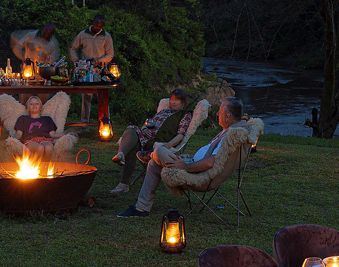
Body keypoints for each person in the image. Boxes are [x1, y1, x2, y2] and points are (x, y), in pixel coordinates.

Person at [117, 97, 245, 217]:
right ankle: (141, 208)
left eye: (220, 111)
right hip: (192, 163)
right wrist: (189, 157)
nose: (217, 114)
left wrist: (185, 166)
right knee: (153, 164)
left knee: (159, 151)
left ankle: (150, 154)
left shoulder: (231, 136)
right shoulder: (228, 131)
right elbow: (210, 154)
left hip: (198, 173)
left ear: (228, 116)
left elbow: (211, 162)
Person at [109, 89, 193, 195]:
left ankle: (123, 184)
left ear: (183, 102)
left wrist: (170, 144)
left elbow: (181, 134)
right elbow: (149, 123)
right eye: (172, 99)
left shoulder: (184, 115)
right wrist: (144, 129)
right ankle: (120, 154)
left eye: (177, 100)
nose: (173, 102)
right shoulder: (164, 111)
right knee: (131, 129)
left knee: (133, 147)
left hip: (159, 142)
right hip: (146, 138)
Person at [69, 13, 114, 121]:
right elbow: (73, 48)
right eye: (96, 25)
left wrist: (100, 61)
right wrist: (75, 60)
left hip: (101, 70)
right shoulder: (83, 34)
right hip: (86, 70)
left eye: (100, 26)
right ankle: (84, 124)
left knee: (103, 97)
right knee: (86, 98)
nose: (98, 27)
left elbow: (110, 54)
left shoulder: (106, 36)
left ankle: (105, 123)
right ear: (92, 22)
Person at [12, 95, 65, 161]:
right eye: (31, 104)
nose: (34, 105)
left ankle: (45, 166)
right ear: (28, 108)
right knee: (40, 148)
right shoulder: (23, 118)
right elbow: (19, 133)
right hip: (30, 140)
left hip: (45, 139)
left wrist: (62, 135)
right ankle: (34, 166)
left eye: (37, 103)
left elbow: (52, 134)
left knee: (49, 147)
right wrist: (12, 139)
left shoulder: (47, 119)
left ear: (41, 108)